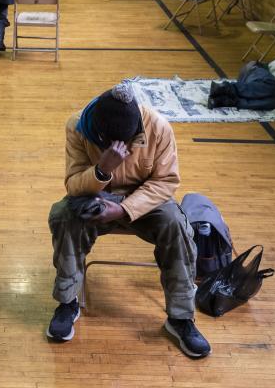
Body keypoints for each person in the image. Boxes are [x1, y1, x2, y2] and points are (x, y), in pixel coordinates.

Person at [47, 81, 210, 359]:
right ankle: (67, 302)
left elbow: (166, 182)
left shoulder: (158, 128)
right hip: (97, 196)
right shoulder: (77, 126)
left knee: (176, 225)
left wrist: (125, 210)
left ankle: (180, 318)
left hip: (145, 200)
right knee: (63, 216)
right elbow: (73, 185)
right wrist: (102, 170)